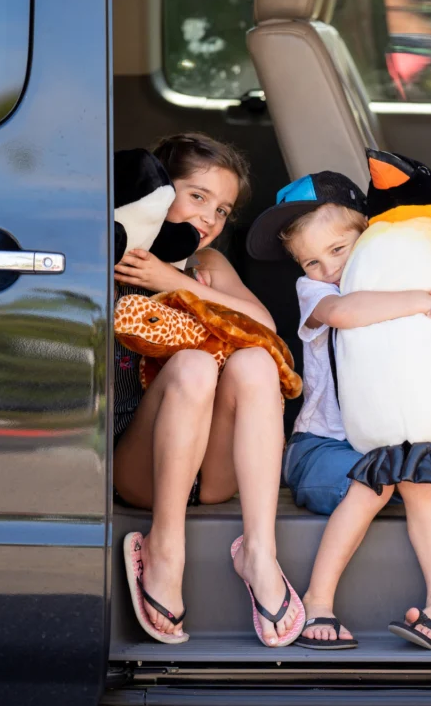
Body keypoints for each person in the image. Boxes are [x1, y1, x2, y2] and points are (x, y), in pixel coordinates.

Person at [245, 170, 431, 650]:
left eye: (339, 250)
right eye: (311, 261)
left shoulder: (401, 270)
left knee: (415, 473)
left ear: (372, 237)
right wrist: (426, 301)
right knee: (380, 477)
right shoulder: (316, 293)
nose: (328, 268)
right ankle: (318, 601)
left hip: (385, 439)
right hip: (321, 448)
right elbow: (345, 313)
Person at [113, 132, 303, 647]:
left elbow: (264, 325)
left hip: (215, 477)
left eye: (222, 210)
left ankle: (260, 551)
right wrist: (146, 274)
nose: (209, 219)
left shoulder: (207, 267)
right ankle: (163, 548)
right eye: (196, 196)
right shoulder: (121, 251)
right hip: (142, 470)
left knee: (256, 361)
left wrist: (177, 282)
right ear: (158, 189)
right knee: (195, 365)